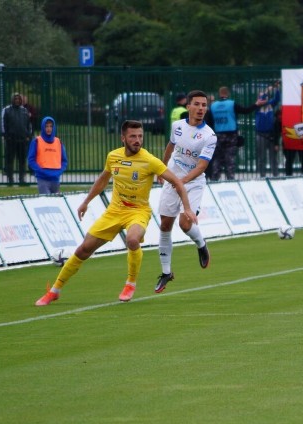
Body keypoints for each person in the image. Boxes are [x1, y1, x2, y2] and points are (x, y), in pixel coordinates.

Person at [34, 120, 197, 306]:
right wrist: (86, 202)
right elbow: (103, 180)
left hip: (138, 211)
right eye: (133, 136)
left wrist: (187, 208)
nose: (137, 140)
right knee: (83, 250)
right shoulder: (113, 157)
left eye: (140, 136)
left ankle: (130, 283)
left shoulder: (150, 160)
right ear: (123, 138)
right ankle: (55, 290)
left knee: (133, 239)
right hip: (114, 211)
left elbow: (177, 183)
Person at [154, 90, 217, 294]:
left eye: (204, 105)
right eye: (197, 104)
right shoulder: (177, 126)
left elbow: (201, 167)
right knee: (165, 225)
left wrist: (181, 181)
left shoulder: (209, 136)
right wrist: (162, 169)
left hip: (193, 183)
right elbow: (171, 147)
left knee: (184, 223)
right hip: (173, 179)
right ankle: (166, 273)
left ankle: (201, 244)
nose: (201, 109)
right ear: (188, 106)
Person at [208, 86, 255, 181]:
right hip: (231, 135)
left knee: (217, 159)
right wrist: (256, 104)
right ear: (228, 93)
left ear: (219, 93)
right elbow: (245, 111)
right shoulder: (232, 104)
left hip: (218, 135)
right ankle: (230, 179)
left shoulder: (213, 106)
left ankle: (214, 179)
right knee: (230, 159)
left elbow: (210, 122)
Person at [27, 116, 68, 195]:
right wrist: (40, 170)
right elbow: (31, 160)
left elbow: (64, 161)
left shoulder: (58, 142)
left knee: (56, 203)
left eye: (51, 126)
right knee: (46, 201)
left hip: (55, 179)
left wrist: (59, 171)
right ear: (43, 127)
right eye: (46, 126)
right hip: (43, 179)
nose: (49, 128)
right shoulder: (36, 141)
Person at [0, 93, 32, 186]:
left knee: (22, 161)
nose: (17, 100)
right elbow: (2, 123)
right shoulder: (6, 110)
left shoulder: (25, 110)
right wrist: (5, 135)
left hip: (22, 139)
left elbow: (29, 124)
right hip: (11, 139)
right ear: (12, 100)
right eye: (15, 99)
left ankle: (22, 180)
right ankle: (10, 180)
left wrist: (28, 135)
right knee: (9, 160)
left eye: (19, 99)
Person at [254, 82, 281, 177]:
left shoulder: (270, 105)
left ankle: (275, 174)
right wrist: (266, 91)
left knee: (273, 157)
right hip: (260, 134)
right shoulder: (257, 106)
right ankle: (262, 175)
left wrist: (277, 89)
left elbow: (277, 99)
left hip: (270, 134)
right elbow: (261, 99)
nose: (264, 98)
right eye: (261, 97)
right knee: (261, 157)